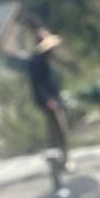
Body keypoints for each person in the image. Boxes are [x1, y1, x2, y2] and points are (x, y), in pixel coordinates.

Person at [27, 27, 72, 167]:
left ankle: (62, 159)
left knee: (59, 131)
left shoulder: (49, 59)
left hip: (55, 98)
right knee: (58, 131)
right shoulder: (37, 61)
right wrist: (48, 100)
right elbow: (37, 84)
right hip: (49, 101)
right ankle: (61, 160)